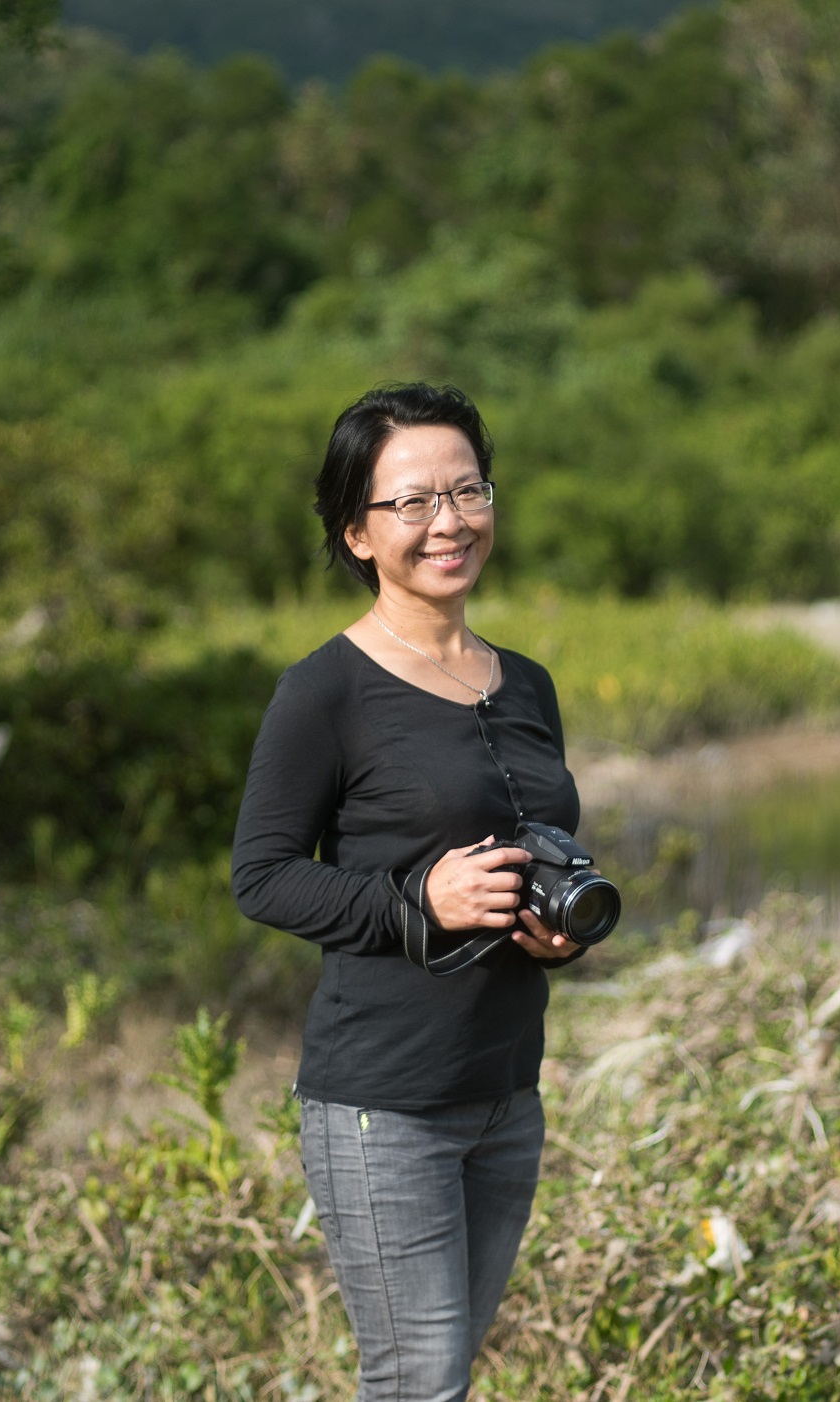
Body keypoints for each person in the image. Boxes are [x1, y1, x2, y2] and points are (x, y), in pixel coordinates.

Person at [231, 382, 589, 1401]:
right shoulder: (324, 690)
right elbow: (260, 877)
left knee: (441, 1378)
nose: (449, 521)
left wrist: (551, 925)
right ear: (355, 532)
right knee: (417, 1383)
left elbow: (540, 841)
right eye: (412, 502)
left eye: (467, 490)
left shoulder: (525, 683)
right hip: (383, 1105)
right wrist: (414, 901)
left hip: (505, 1094)